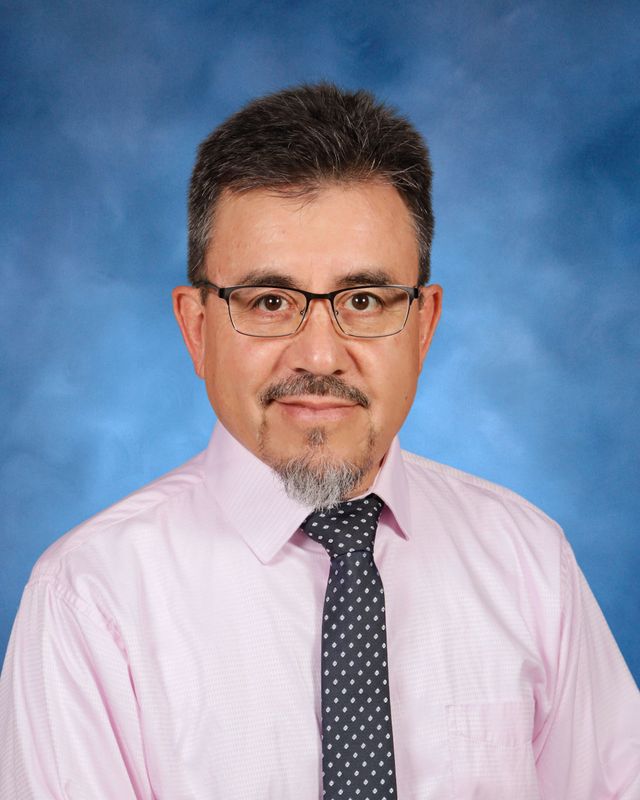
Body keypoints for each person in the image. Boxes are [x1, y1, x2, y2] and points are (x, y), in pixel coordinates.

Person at [0, 83, 638, 800]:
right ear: (197, 327)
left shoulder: (529, 565)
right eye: (270, 302)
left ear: (423, 325)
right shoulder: (90, 603)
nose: (320, 355)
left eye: (363, 301)